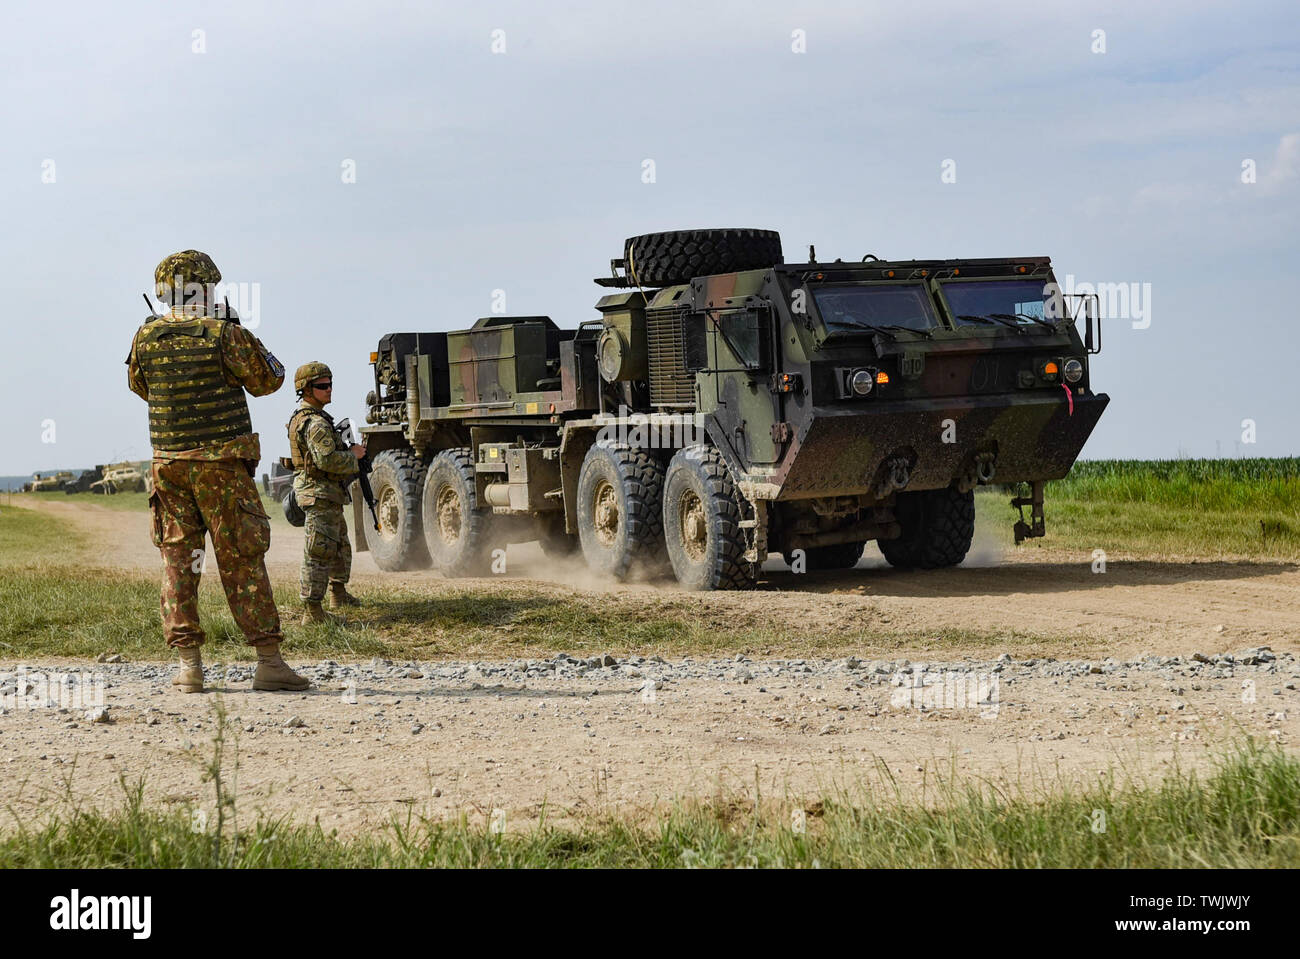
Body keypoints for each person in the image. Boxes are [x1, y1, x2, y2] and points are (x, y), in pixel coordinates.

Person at [126, 250, 310, 693]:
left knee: (178, 563)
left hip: (169, 467)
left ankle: (189, 667)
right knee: (242, 560)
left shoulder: (144, 337)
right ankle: (268, 662)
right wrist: (239, 328)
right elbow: (271, 380)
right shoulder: (223, 333)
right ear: (206, 289)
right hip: (221, 468)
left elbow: (140, 387)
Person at [287, 362, 366, 624]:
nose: (329, 389)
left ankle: (338, 593)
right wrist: (352, 456)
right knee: (319, 551)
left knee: (338, 545)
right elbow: (327, 460)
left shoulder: (314, 418)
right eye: (322, 386)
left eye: (330, 384)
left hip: (326, 493)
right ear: (306, 390)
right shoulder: (316, 423)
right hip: (318, 493)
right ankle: (313, 612)